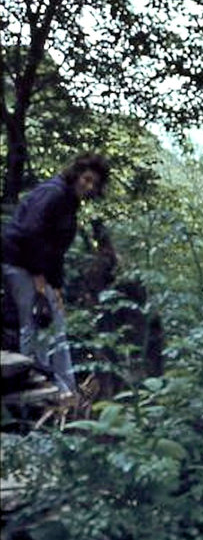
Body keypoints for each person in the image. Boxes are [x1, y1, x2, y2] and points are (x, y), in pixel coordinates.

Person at [2, 153, 110, 397]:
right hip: (20, 262)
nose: (89, 186)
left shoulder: (69, 201)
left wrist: (57, 286)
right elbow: (31, 232)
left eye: (94, 183)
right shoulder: (54, 193)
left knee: (55, 322)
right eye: (87, 179)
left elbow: (56, 249)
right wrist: (39, 274)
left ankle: (64, 389)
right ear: (77, 174)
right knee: (36, 323)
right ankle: (34, 386)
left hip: (33, 266)